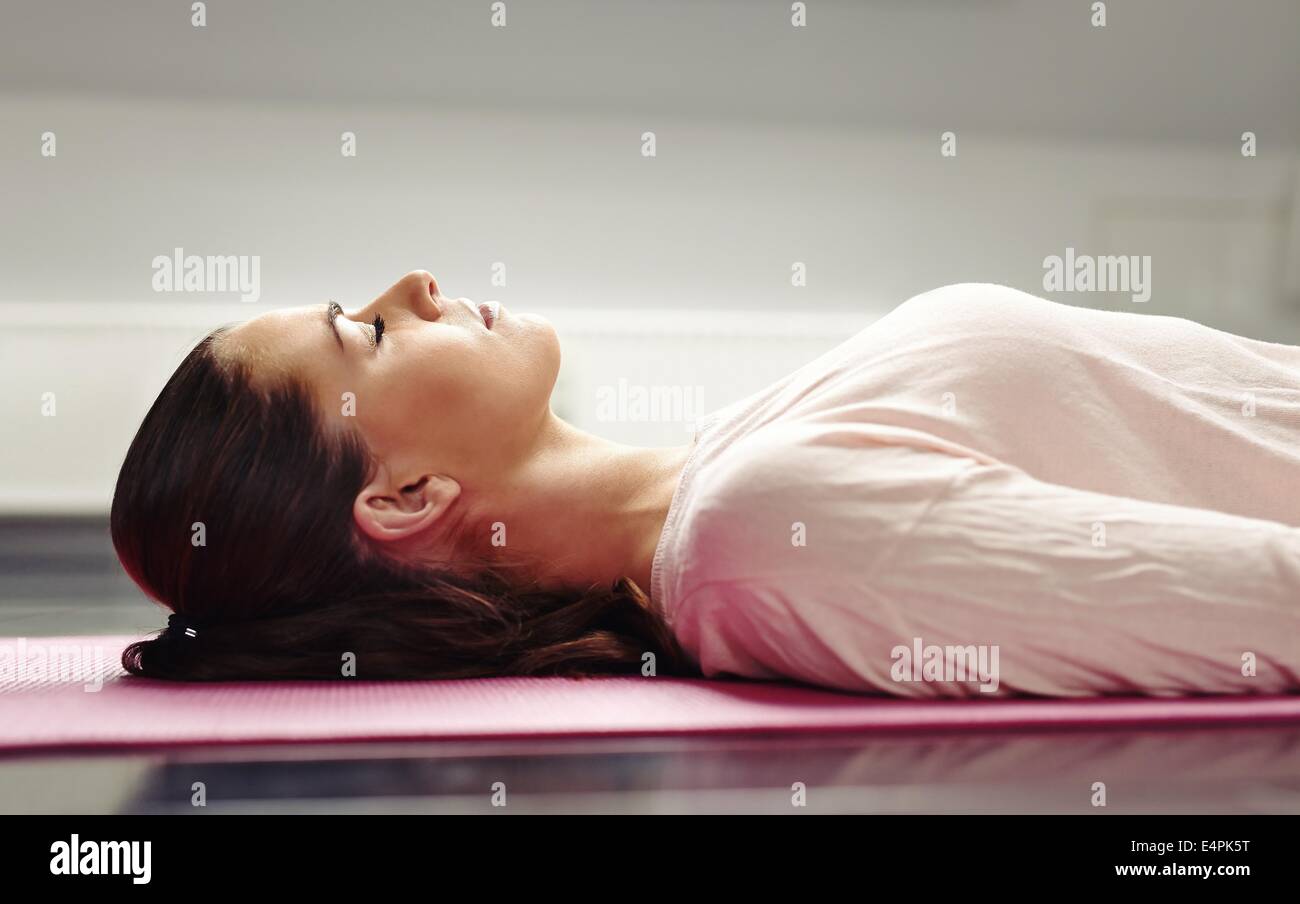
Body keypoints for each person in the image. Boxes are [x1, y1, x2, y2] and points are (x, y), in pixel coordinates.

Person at [112, 274, 1300, 696]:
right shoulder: (769, 538)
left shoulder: (732, 460)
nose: (413, 281)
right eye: (363, 332)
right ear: (410, 494)